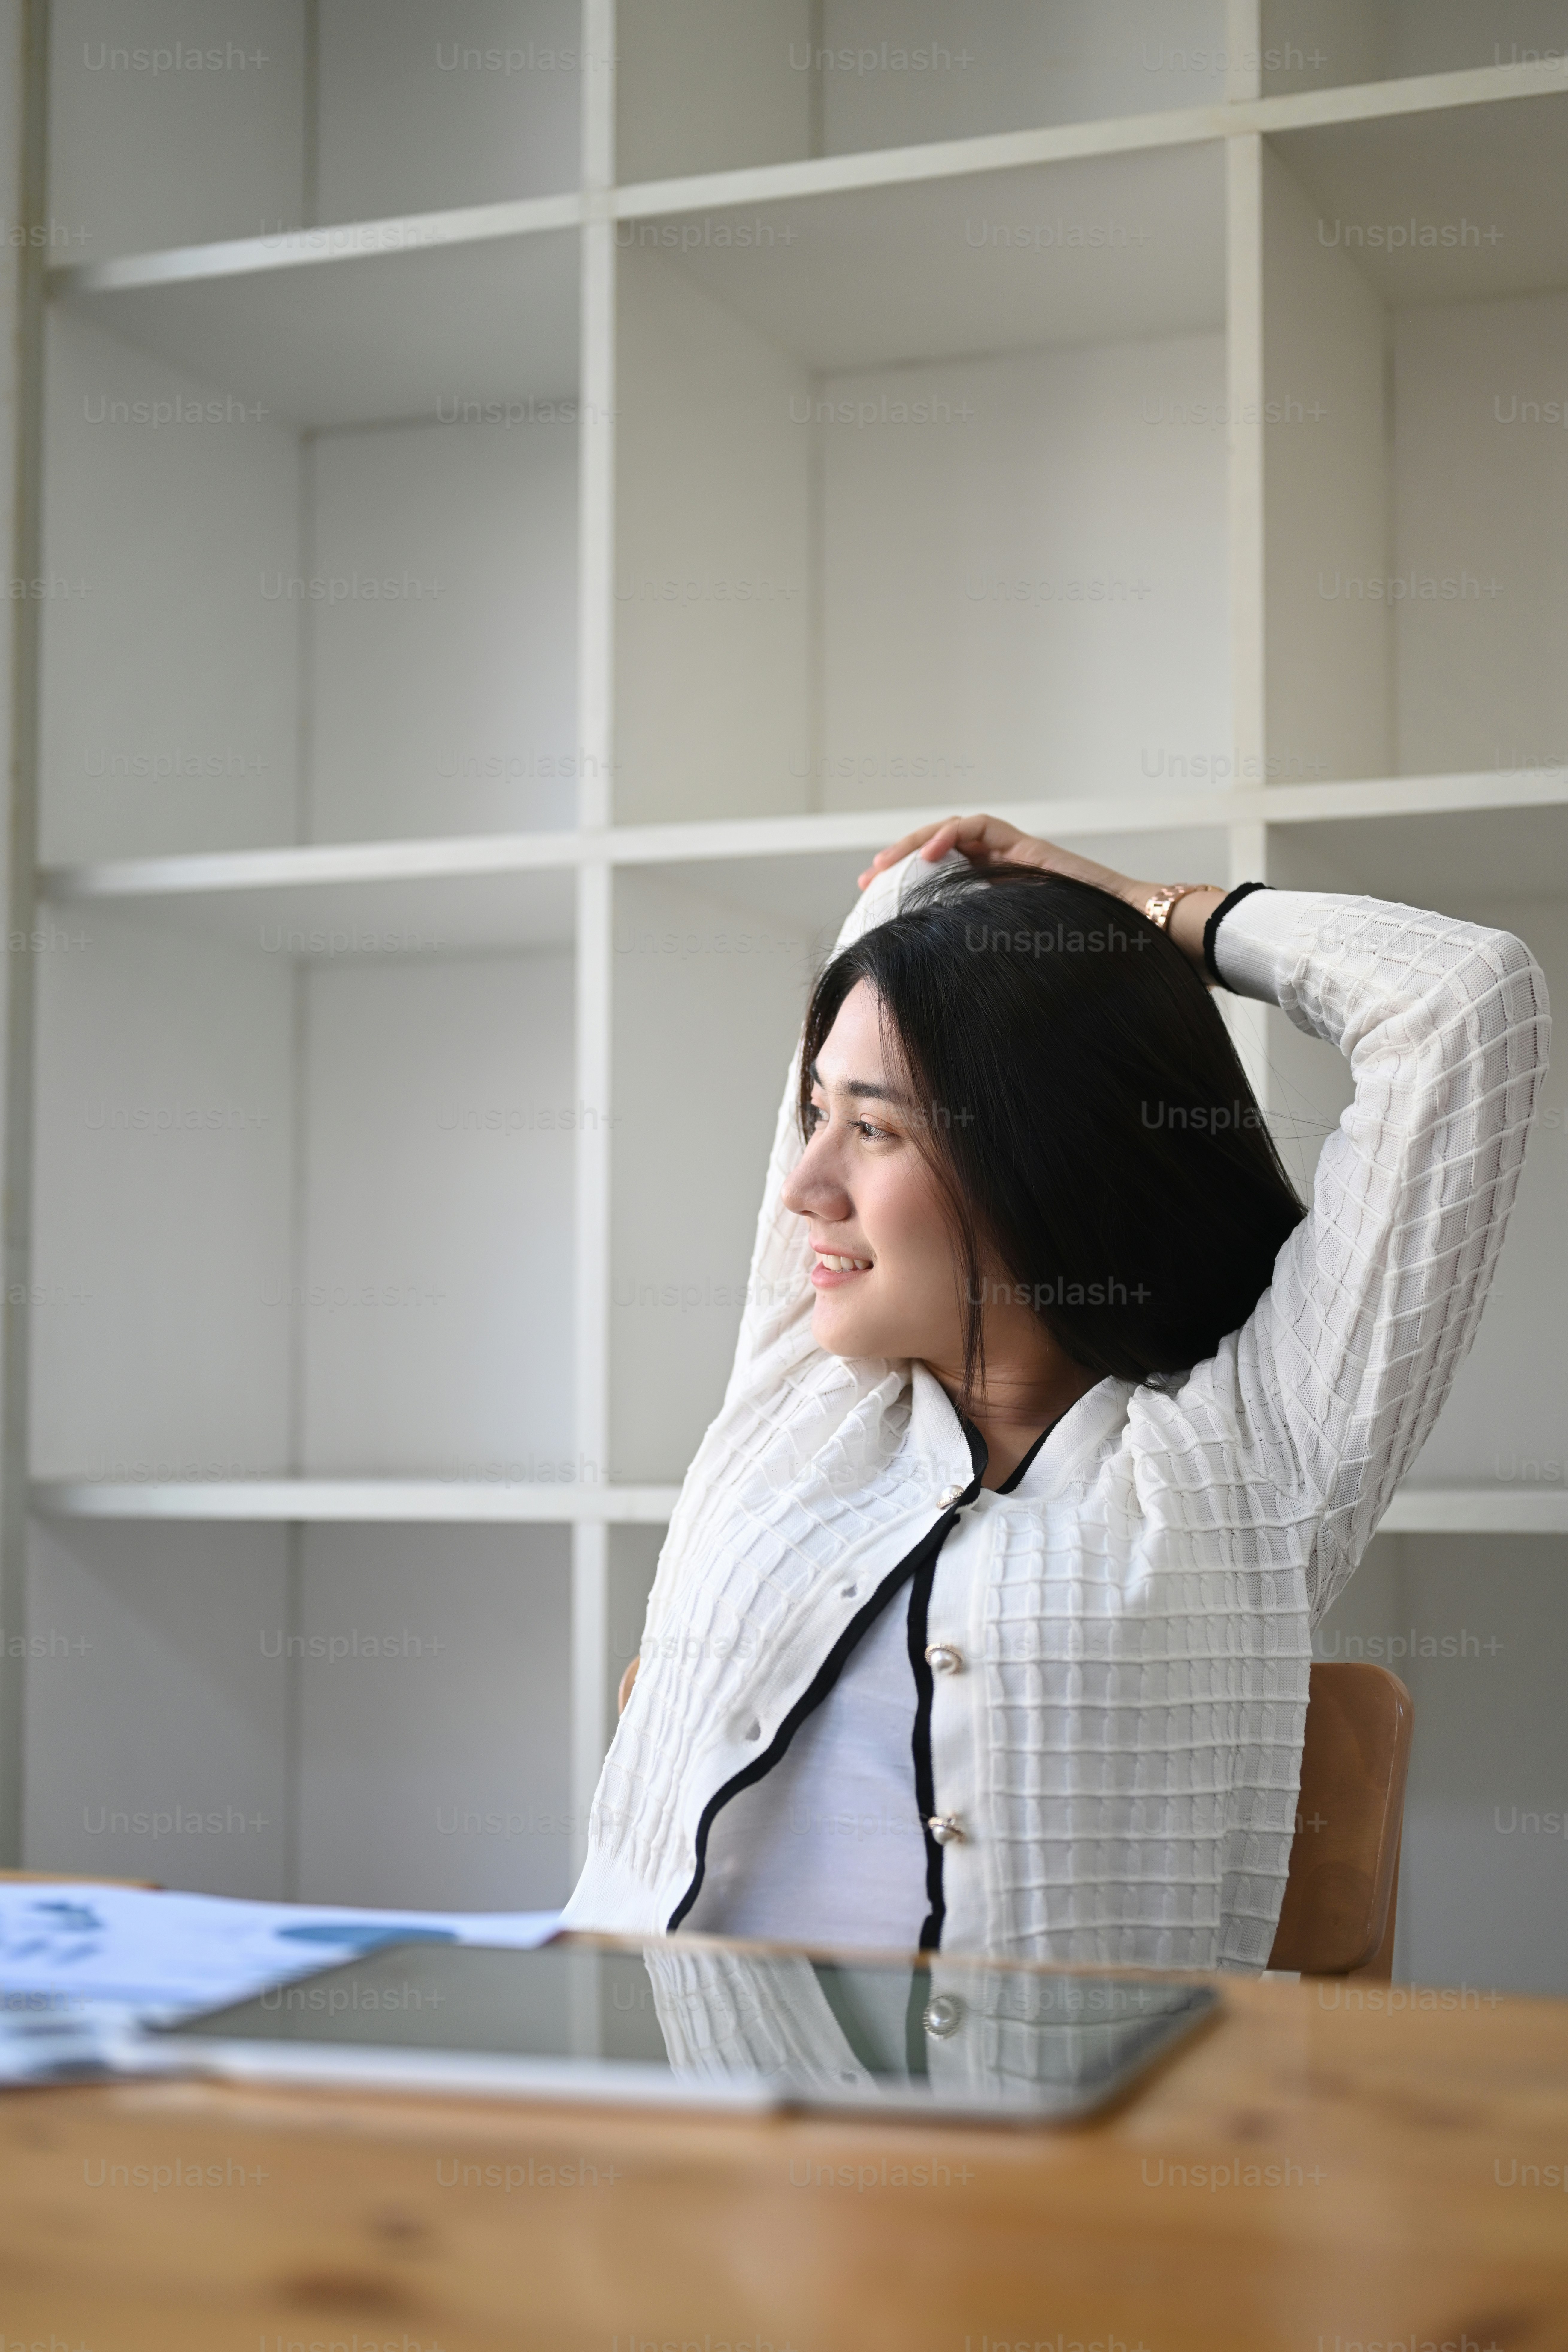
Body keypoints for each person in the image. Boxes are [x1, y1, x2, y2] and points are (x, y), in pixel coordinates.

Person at [561, 816, 1549, 1970]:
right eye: (816, 1113)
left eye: (870, 1128)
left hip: (1039, 2143)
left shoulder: (1248, 1468)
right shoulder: (803, 1393)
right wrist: (964, 898)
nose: (802, 1187)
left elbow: (1465, 1005)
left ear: (1047, 1154)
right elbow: (902, 901)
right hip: (639, 2103)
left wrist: (1140, 908)